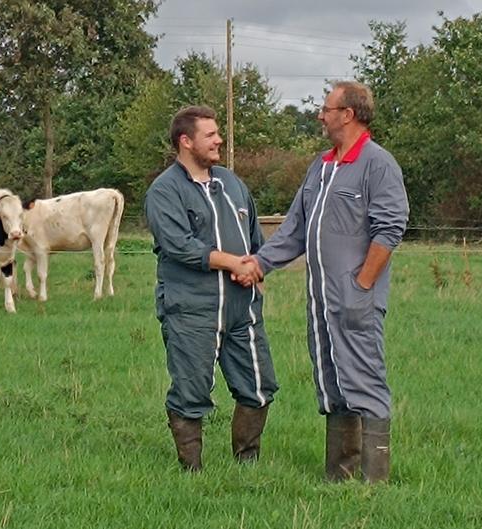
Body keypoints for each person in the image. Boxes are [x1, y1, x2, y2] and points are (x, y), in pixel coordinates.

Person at [240, 81, 409, 483]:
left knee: (363, 379)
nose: (320, 114)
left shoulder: (377, 164)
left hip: (355, 298)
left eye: (326, 108)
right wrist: (259, 263)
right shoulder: (322, 165)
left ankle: (374, 481)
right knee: (331, 380)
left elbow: (390, 228)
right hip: (320, 300)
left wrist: (362, 284)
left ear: (347, 114)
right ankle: (340, 475)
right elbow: (295, 229)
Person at [144, 105, 278, 471]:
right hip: (192, 308)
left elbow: (254, 239)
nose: (219, 140)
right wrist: (232, 262)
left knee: (259, 385)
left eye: (218, 133)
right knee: (191, 391)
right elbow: (180, 246)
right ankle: (193, 472)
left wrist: (255, 266)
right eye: (210, 135)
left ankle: (247, 464)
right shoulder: (164, 191)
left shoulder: (232, 184)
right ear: (186, 142)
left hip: (242, 307)